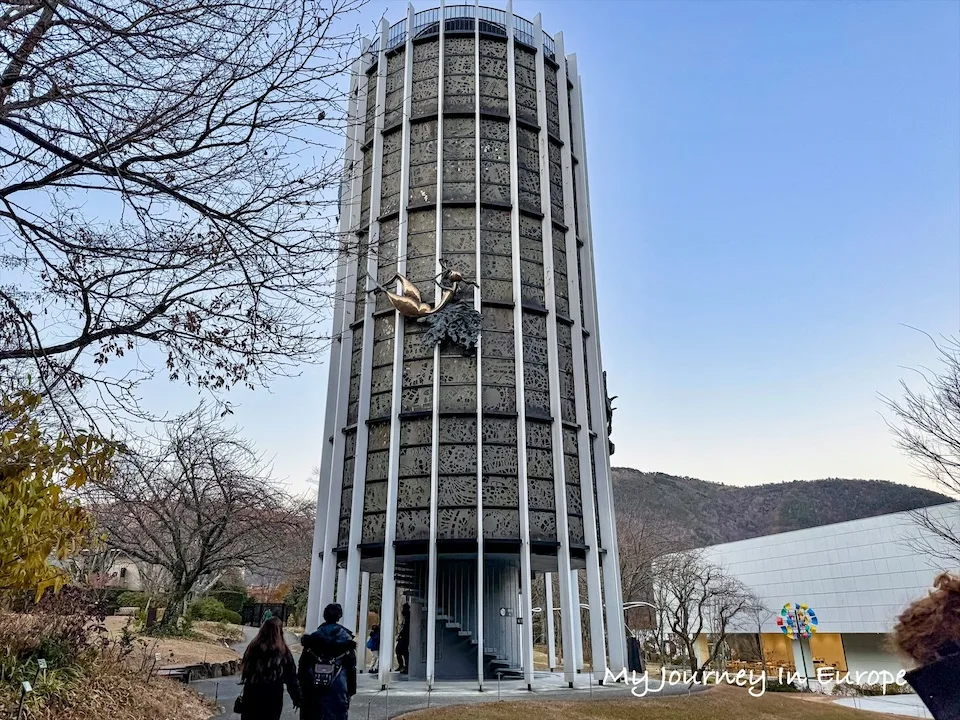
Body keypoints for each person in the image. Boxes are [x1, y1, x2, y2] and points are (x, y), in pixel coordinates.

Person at [299, 603, 357, 720]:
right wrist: (350, 691)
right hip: (338, 689)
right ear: (339, 616)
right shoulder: (346, 642)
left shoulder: (312, 641)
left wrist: (301, 689)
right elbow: (351, 670)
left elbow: (302, 668)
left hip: (312, 690)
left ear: (324, 615)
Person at [238, 617, 300, 720]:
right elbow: (291, 678)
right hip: (273, 695)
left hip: (252, 692)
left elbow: (246, 669)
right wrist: (296, 698)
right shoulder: (283, 651)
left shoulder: (253, 647)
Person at [395, 603, 410, 674]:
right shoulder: (406, 617)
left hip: (405, 637)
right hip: (404, 637)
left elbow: (405, 628)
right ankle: (403, 666)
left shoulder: (408, 616)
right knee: (401, 652)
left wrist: (400, 635)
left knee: (403, 652)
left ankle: (405, 667)